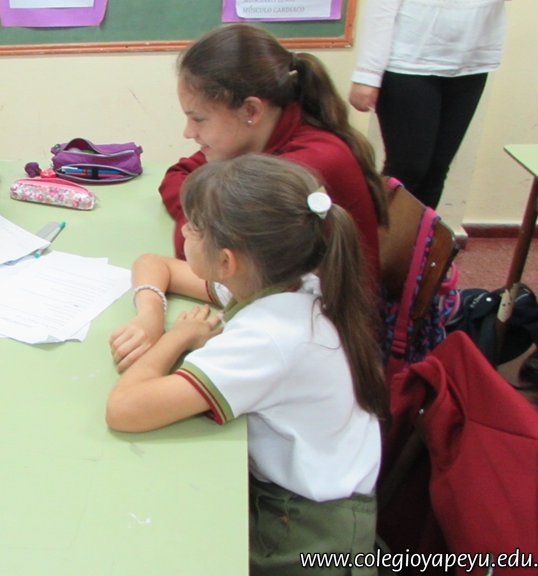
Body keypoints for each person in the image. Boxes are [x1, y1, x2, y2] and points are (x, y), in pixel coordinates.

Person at [108, 155, 385, 574]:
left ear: (226, 261)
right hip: (312, 494)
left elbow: (125, 409)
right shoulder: (283, 282)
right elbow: (154, 263)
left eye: (194, 228)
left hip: (310, 534)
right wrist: (150, 313)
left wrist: (177, 336)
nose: (184, 231)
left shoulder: (271, 338)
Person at [160, 24, 387, 285]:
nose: (188, 132)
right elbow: (180, 173)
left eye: (199, 119)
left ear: (251, 111)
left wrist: (199, 216)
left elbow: (207, 256)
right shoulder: (259, 138)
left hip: (325, 308)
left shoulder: (303, 166)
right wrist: (203, 210)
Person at [349, 0, 508, 209]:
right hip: (409, 61)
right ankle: (377, 229)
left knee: (437, 170)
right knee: (408, 169)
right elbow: (381, 8)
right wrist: (367, 73)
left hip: (471, 61)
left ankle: (420, 231)